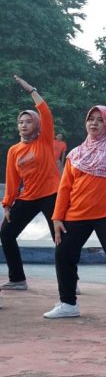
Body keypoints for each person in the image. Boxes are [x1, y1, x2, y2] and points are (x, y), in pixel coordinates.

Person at [44, 53, 106, 323]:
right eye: (91, 119)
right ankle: (68, 303)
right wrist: (56, 217)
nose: (94, 123)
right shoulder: (76, 154)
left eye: (100, 120)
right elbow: (65, 188)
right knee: (64, 254)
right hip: (75, 213)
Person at [2, 75, 60, 291]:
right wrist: (7, 204)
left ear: (35, 124)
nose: (24, 124)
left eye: (28, 121)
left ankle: (70, 282)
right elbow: (12, 179)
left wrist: (31, 90)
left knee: (61, 238)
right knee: (6, 234)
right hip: (28, 197)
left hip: (52, 194)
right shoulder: (14, 151)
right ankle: (17, 279)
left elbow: (45, 112)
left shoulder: (44, 139)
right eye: (21, 121)